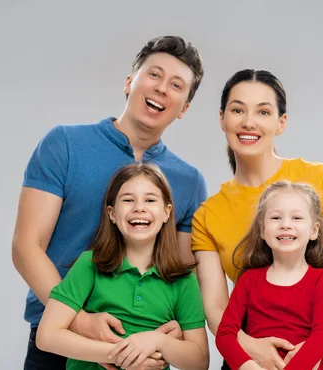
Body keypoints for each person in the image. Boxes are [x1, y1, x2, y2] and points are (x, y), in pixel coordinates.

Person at [12, 35, 207, 369]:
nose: (162, 88)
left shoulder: (189, 181)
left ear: (184, 108)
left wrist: (172, 335)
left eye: (176, 85)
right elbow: (26, 246)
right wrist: (81, 322)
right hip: (59, 340)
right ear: (130, 82)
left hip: (143, 350)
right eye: (154, 75)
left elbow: (178, 269)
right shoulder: (65, 144)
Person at [192, 69, 323, 370]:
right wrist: (249, 350)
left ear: (281, 122)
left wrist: (312, 347)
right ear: (222, 118)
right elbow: (216, 306)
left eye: (263, 111)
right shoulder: (208, 215)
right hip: (245, 349)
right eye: (237, 110)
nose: (249, 121)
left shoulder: (318, 178)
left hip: (320, 344)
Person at [36, 163, 209, 370]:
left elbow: (199, 361)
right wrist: (117, 354)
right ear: (112, 214)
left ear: (166, 212)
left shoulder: (182, 279)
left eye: (150, 200)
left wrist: (157, 341)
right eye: (128, 200)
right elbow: (47, 336)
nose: (139, 207)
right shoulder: (89, 265)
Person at [215, 181, 323, 370]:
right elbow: (225, 334)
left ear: (314, 230)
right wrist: (249, 367)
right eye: (275, 218)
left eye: (296, 217)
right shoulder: (248, 280)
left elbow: (322, 337)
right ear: (263, 230)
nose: (285, 225)